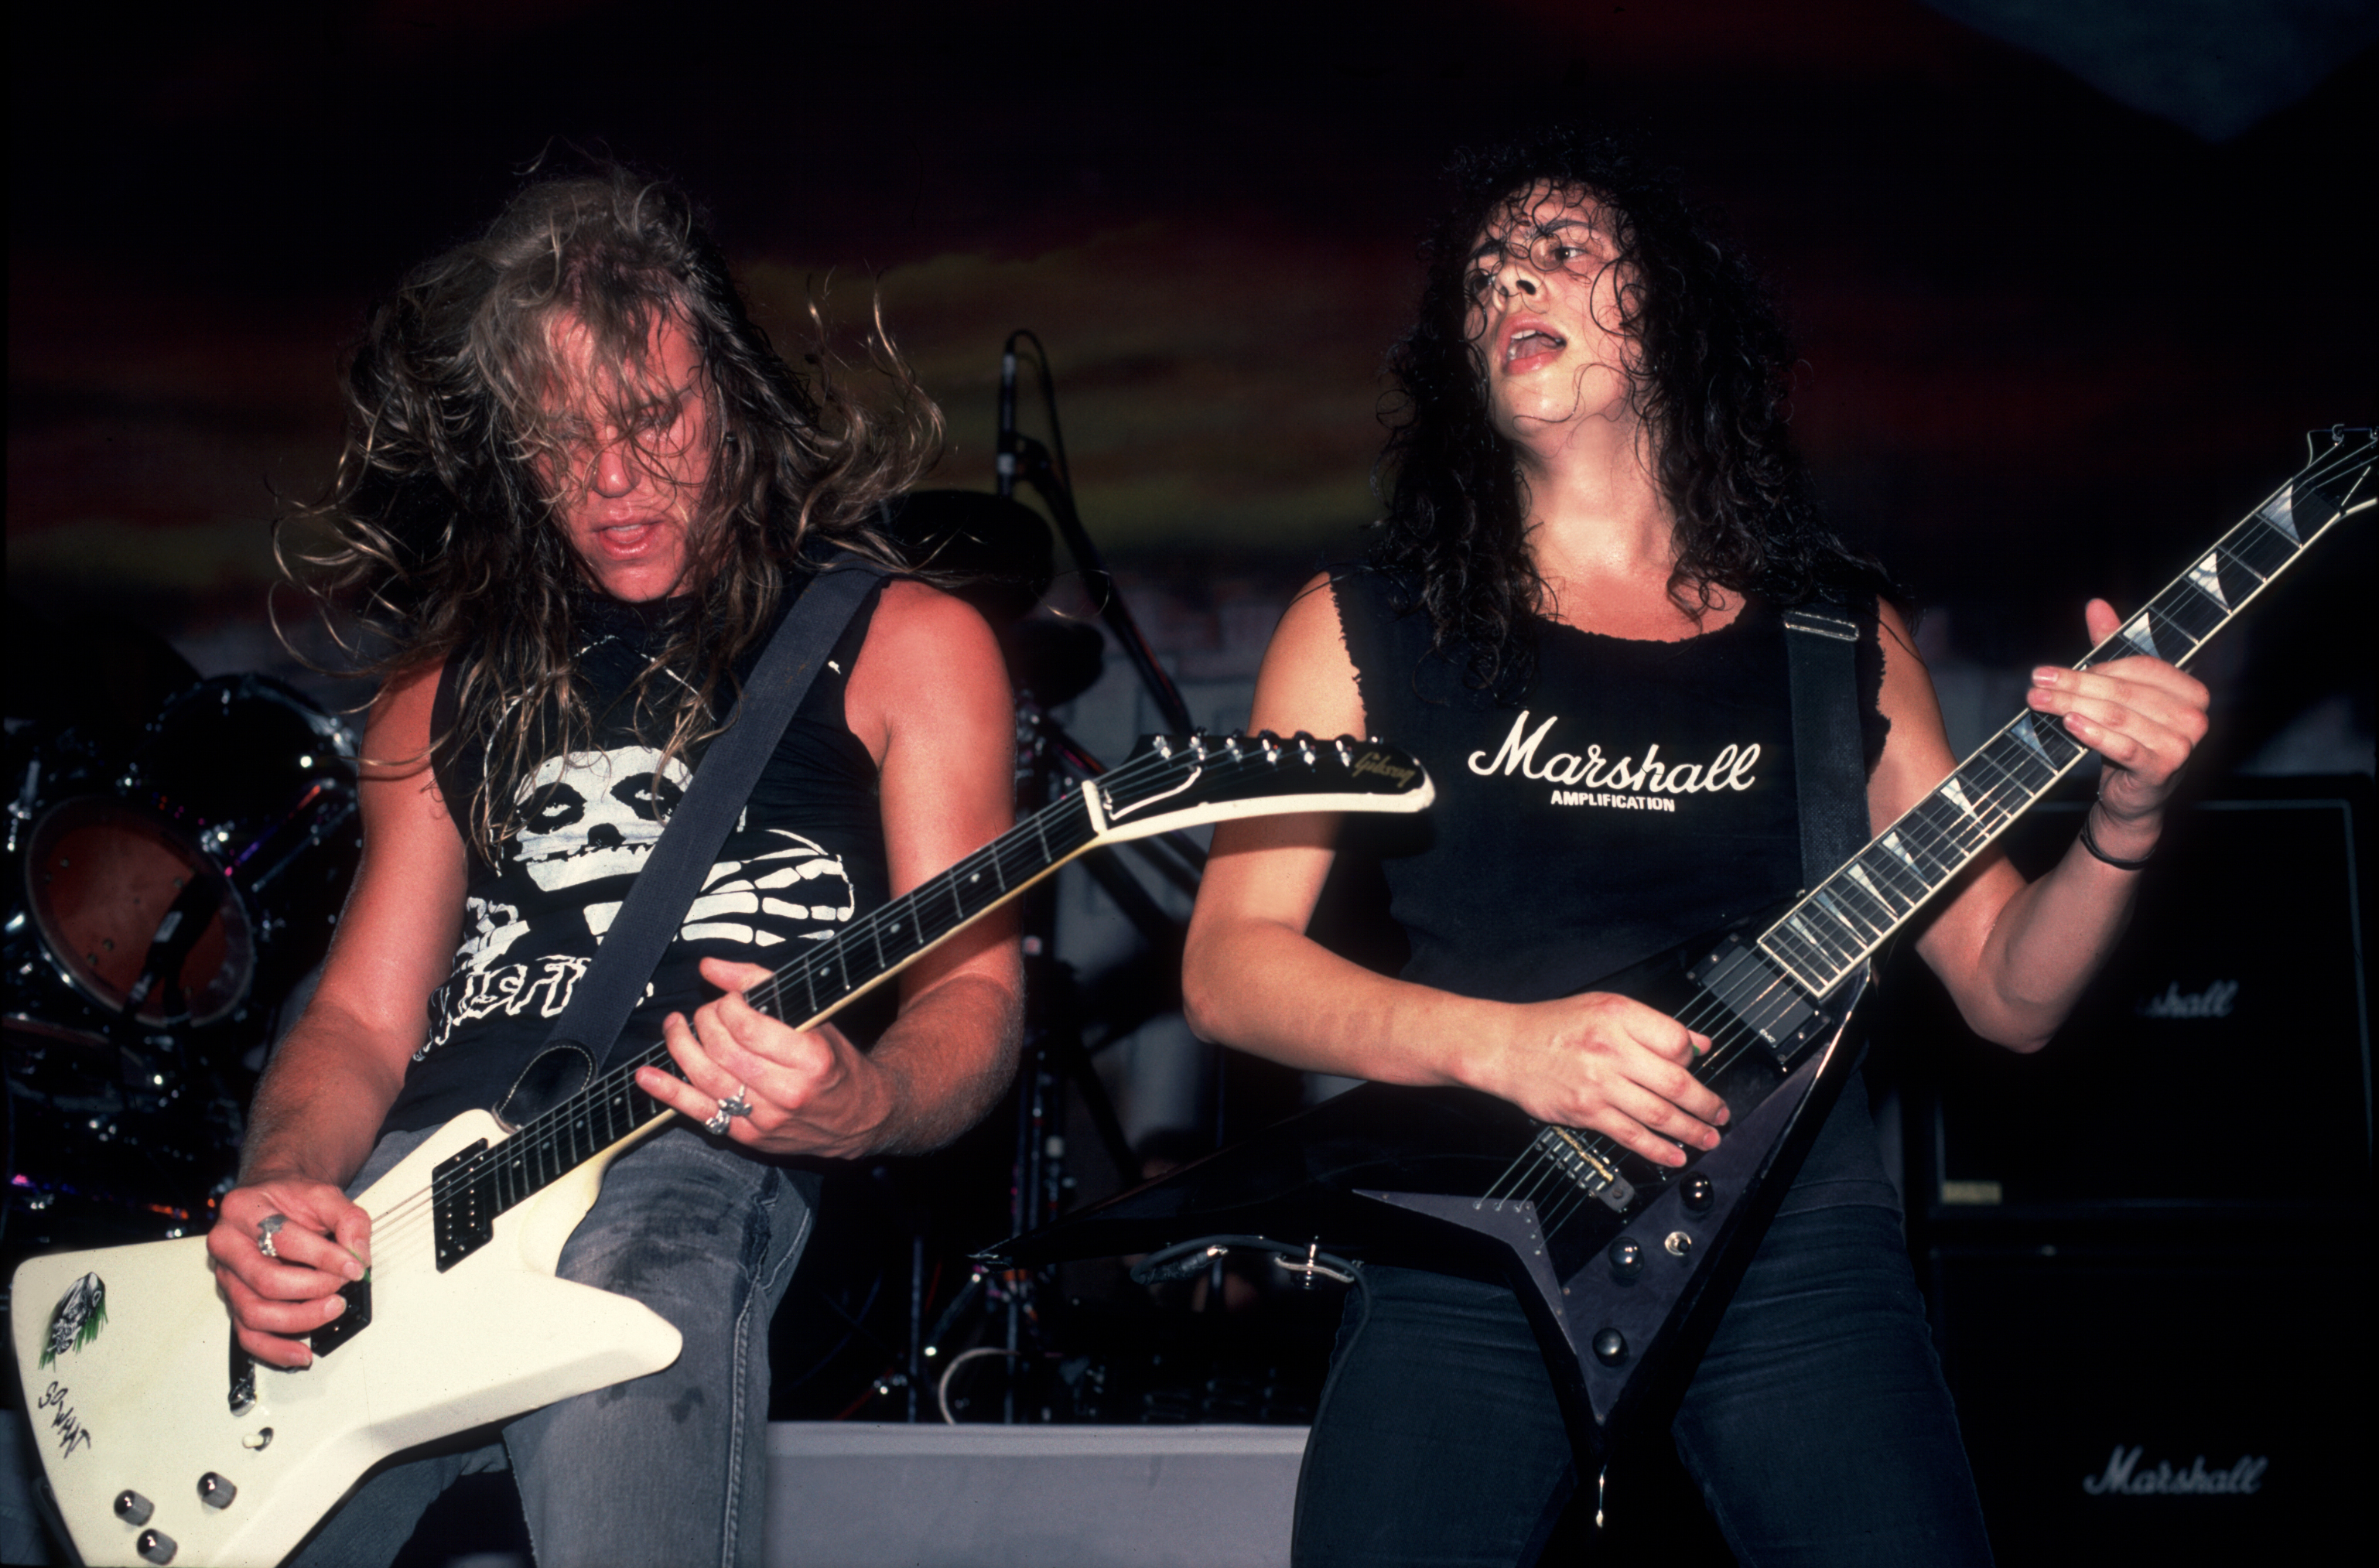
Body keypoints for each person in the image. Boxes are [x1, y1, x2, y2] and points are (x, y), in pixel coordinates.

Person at [1180, 129, 2210, 1566]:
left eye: (1561, 251)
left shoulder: (1834, 640)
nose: (1506, 287)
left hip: (1795, 1254)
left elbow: (2011, 996)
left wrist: (2127, 820)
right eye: (1481, 278)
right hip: (1479, 1239)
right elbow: (1234, 971)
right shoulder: (1366, 625)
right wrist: (1508, 1047)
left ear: (1666, 311)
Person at [203, 169, 1022, 1566]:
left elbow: (977, 997)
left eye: (653, 421)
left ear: (733, 391)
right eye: (560, 439)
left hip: (693, 1148)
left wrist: (868, 1100)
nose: (614, 484)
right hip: (420, 1191)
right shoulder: (444, 683)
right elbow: (356, 1019)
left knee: (643, 1269)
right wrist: (284, 1182)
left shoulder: (905, 639)